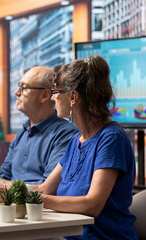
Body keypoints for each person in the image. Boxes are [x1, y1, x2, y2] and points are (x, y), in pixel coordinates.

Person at [32, 56, 137, 239]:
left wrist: (39, 201)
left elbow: (92, 205)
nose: (53, 96)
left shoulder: (112, 138)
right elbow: (44, 190)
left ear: (73, 97)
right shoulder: (75, 141)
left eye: (57, 91)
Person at [0, 67, 79, 195]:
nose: (16, 92)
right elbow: (4, 177)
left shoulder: (66, 134)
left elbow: (46, 188)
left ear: (45, 95)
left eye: (23, 88)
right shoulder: (22, 133)